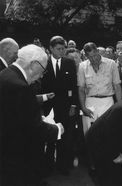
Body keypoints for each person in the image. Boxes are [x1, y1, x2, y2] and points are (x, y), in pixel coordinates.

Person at [0, 44, 64, 186]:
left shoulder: (5, 75)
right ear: (34, 64)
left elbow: (13, 114)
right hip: (17, 156)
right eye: (42, 71)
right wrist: (57, 129)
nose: (41, 76)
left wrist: (33, 117)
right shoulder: (20, 87)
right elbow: (33, 128)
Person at [41, 36, 79, 175]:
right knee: (49, 137)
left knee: (65, 137)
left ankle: (62, 166)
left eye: (63, 48)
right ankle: (48, 166)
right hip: (48, 107)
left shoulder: (69, 63)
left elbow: (74, 86)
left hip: (65, 107)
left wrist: (73, 105)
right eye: (59, 49)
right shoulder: (43, 63)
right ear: (51, 48)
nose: (62, 51)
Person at [78, 42, 122, 135]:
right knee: (90, 133)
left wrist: (119, 106)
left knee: (108, 132)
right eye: (90, 57)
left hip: (107, 102)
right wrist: (83, 107)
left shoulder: (111, 64)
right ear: (86, 56)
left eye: (95, 55)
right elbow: (81, 89)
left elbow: (117, 86)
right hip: (90, 102)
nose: (94, 59)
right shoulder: (82, 66)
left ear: (98, 51)